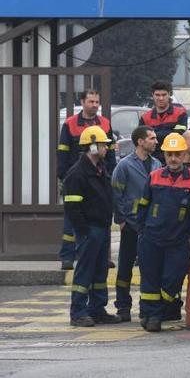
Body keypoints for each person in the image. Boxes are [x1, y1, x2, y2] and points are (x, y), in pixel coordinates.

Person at [135, 133, 190, 332]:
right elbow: (143, 206)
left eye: (177, 154)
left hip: (178, 240)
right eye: (169, 154)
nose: (173, 159)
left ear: (184, 154)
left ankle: (155, 312)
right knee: (150, 279)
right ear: (164, 155)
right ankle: (150, 315)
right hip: (151, 238)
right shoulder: (154, 176)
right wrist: (142, 231)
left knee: (172, 278)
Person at [63, 126, 122, 327]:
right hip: (90, 230)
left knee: (99, 272)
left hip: (102, 228)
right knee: (85, 272)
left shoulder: (100, 168)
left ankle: (97, 309)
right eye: (104, 145)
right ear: (93, 146)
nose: (107, 148)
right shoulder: (78, 174)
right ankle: (78, 312)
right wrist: (84, 232)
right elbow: (72, 208)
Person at [57, 89, 116, 271]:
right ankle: (67, 257)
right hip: (77, 177)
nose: (95, 105)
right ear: (82, 102)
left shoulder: (105, 123)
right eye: (91, 101)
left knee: (101, 217)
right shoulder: (70, 124)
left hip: (98, 176)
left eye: (97, 102)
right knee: (71, 217)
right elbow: (63, 151)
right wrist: (63, 175)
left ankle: (103, 257)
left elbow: (111, 151)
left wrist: (109, 173)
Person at [110, 125, 161, 322]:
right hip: (131, 224)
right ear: (140, 142)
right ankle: (123, 307)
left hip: (150, 225)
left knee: (149, 267)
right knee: (125, 267)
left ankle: (147, 308)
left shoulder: (156, 164)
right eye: (152, 138)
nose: (156, 141)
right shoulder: (124, 165)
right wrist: (121, 220)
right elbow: (116, 193)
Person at [139, 80, 188, 164]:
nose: (161, 98)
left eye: (164, 95)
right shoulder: (145, 117)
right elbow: (142, 140)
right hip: (151, 160)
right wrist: (168, 133)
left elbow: (177, 135)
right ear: (152, 95)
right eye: (157, 95)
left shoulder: (180, 114)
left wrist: (153, 137)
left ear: (169, 94)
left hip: (173, 158)